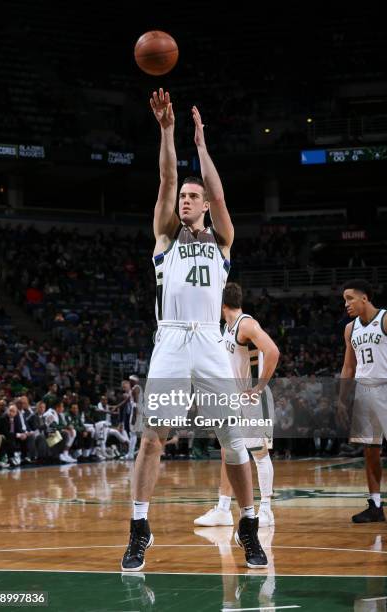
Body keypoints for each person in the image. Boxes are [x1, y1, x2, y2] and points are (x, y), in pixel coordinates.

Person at [121, 89, 267, 572]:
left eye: (191, 196)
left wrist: (202, 148)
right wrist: (168, 132)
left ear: (204, 205)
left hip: (209, 340)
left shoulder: (222, 242)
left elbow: (221, 193)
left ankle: (248, 521)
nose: (184, 199)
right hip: (170, 341)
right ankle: (139, 526)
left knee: (233, 441)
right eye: (182, 196)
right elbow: (165, 177)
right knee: (152, 437)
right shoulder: (164, 238)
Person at [194, 282, 279, 528]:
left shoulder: (246, 324)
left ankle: (266, 510)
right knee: (228, 451)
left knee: (259, 454)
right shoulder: (226, 328)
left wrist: (259, 388)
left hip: (252, 398)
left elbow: (272, 351)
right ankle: (222, 509)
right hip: (233, 397)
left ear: (221, 304)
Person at [338, 279, 386, 523]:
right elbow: (349, 366)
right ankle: (376, 505)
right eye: (344, 300)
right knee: (370, 451)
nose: (346, 304)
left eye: (350, 298)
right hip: (364, 391)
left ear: (364, 298)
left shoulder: (385, 319)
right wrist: (342, 399)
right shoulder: (350, 328)